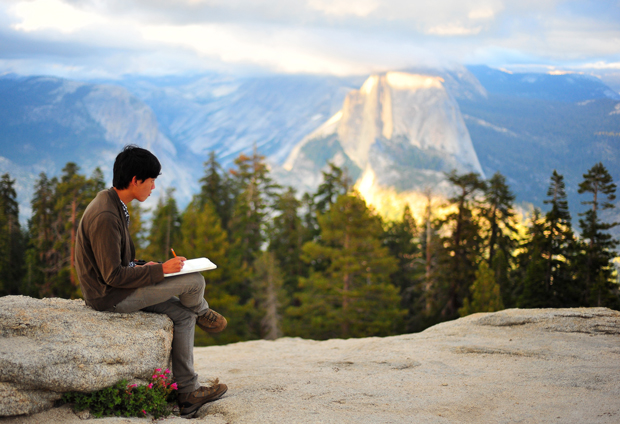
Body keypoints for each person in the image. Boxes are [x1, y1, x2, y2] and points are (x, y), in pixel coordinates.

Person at [75, 144, 228, 417]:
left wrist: (150, 266)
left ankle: (187, 393)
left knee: (182, 316)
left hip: (117, 288)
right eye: (152, 180)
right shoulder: (106, 216)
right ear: (135, 180)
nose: (154, 187)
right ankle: (202, 311)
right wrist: (162, 272)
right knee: (194, 281)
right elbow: (113, 275)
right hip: (109, 296)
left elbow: (122, 264)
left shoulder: (113, 202)